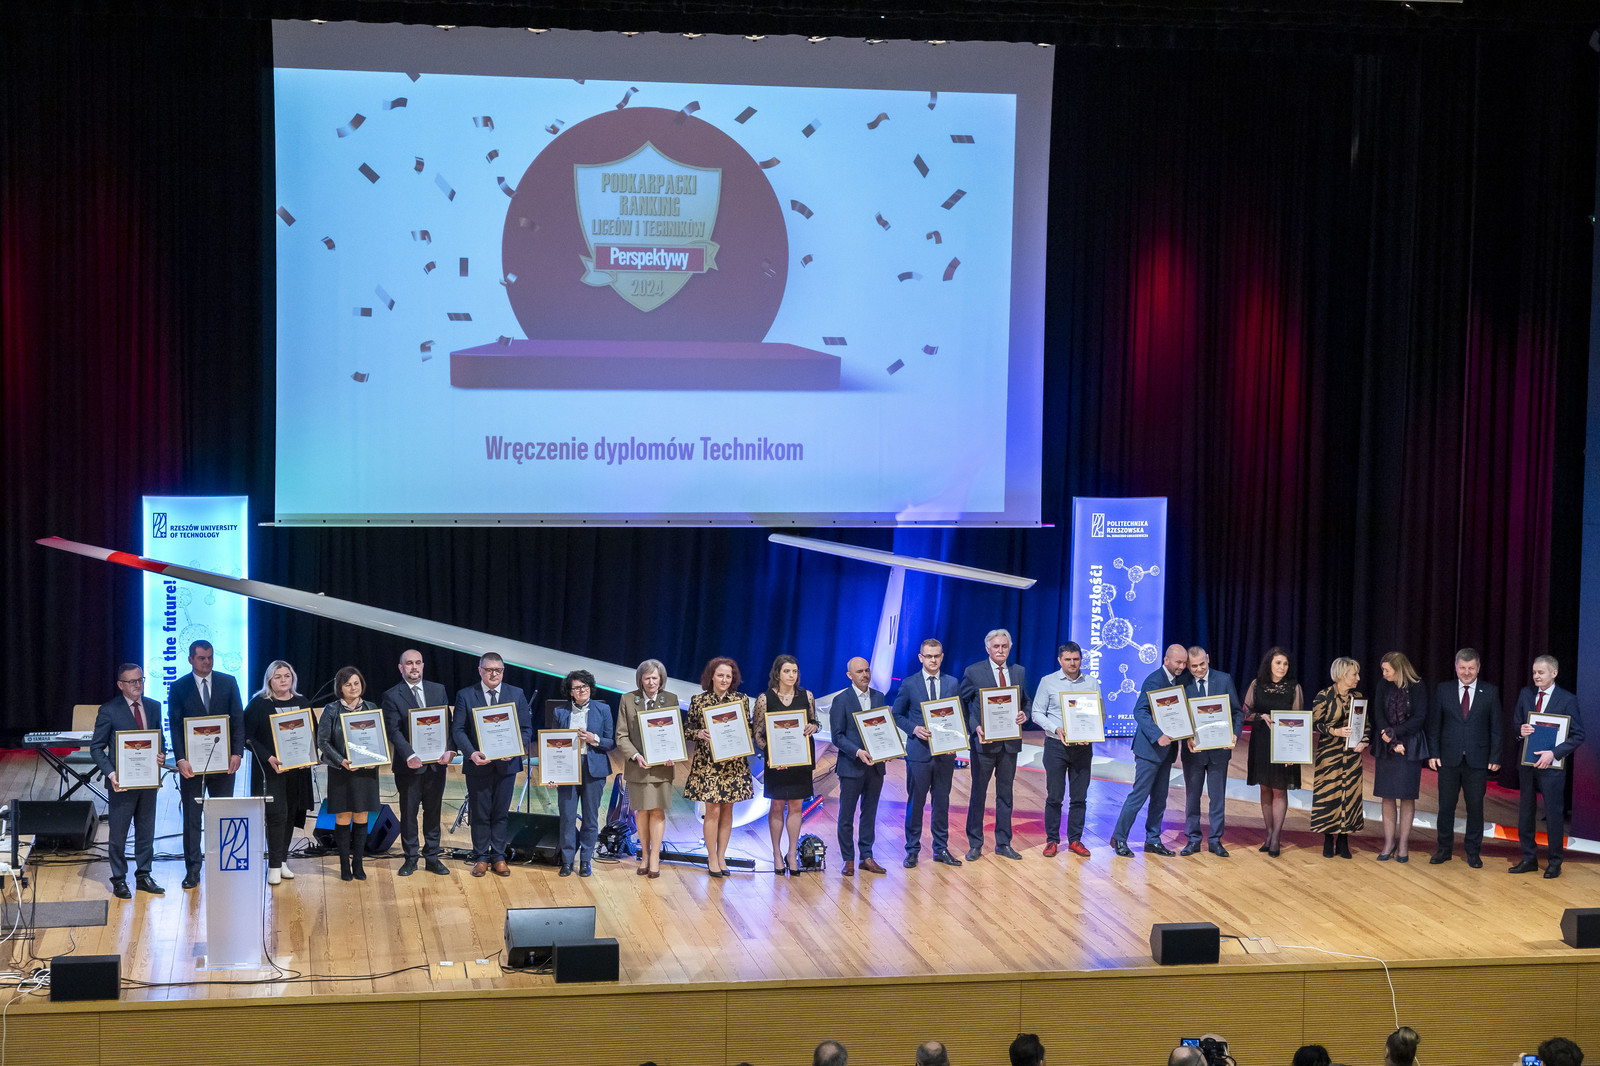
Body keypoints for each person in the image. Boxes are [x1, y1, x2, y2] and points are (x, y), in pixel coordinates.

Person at [168, 639, 244, 889]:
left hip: (224, 764)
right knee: (192, 818)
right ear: (191, 659)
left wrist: (237, 753)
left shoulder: (228, 682)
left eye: (210, 657)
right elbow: (175, 726)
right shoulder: (178, 687)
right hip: (193, 766)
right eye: (201, 658)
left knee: (223, 815)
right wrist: (180, 758)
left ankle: (225, 863)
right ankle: (193, 870)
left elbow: (238, 720)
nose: (207, 662)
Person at [451, 651, 534, 877]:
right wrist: (471, 753)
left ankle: (498, 856)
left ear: (503, 671)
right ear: (480, 671)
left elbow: (526, 729)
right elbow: (458, 730)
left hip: (507, 765)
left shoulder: (516, 693)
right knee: (479, 812)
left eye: (498, 670)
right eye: (489, 670)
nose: (494, 674)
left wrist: (514, 749)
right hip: (478, 764)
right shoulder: (466, 695)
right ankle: (480, 857)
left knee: (500, 812)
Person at [90, 663, 164, 898]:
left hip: (148, 781)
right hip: (121, 783)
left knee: (146, 831)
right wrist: (112, 774)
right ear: (120, 685)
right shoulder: (109, 710)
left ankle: (144, 875)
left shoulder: (154, 706)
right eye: (132, 682)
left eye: (140, 680)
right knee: (118, 834)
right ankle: (119, 879)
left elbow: (158, 738)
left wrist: (161, 755)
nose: (138, 685)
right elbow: (96, 748)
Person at [1110, 644, 1190, 857]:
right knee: (1139, 795)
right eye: (1178, 662)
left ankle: (1153, 840)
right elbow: (1140, 711)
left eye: (1184, 663)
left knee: (1160, 798)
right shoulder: (1155, 680)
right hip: (1149, 750)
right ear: (1166, 660)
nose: (1182, 666)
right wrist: (1158, 735)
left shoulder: (1178, 681)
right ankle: (1119, 838)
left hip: (1166, 751)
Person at [379, 649, 453, 877]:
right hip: (408, 766)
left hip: (436, 765)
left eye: (418, 662)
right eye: (409, 663)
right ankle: (411, 858)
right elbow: (393, 731)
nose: (414, 667)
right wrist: (410, 755)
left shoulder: (438, 690)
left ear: (423, 665)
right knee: (409, 814)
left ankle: (432, 858)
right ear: (401, 668)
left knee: (433, 812)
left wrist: (450, 750)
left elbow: (448, 724)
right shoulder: (392, 695)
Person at [1510, 654, 1585, 878]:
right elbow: (1516, 722)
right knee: (1526, 813)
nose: (1536, 676)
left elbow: (1578, 735)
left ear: (1554, 673)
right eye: (1534, 672)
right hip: (1527, 764)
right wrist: (1520, 730)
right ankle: (1528, 858)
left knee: (1553, 815)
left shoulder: (1567, 699)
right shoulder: (1526, 694)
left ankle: (1554, 862)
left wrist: (1554, 753)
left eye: (1541, 672)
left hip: (1552, 767)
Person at [892, 638, 965, 869]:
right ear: (920, 658)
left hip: (945, 754)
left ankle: (940, 848)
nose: (933, 660)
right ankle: (912, 850)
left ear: (942, 657)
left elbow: (959, 715)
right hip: (919, 753)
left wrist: (956, 739)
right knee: (916, 803)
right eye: (929, 656)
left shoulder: (952, 683)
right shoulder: (909, 684)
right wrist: (914, 729)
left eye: (937, 656)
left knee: (942, 802)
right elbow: (896, 715)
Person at [959, 628, 1029, 861]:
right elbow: (962, 702)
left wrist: (1025, 714)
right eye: (996, 646)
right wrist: (975, 727)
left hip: (1010, 744)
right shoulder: (973, 672)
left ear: (1010, 648)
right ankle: (975, 844)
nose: (1000, 650)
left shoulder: (1019, 671)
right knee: (978, 794)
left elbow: (1026, 702)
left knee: (1005, 795)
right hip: (984, 744)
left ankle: (1003, 843)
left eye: (1004, 646)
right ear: (987, 648)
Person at [244, 660, 316, 884]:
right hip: (270, 770)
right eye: (278, 677)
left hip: (297, 772)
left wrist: (309, 757)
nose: (283, 680)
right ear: (269, 680)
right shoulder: (259, 704)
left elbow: (312, 733)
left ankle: (282, 860)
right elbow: (247, 737)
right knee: (277, 815)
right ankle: (274, 865)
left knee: (290, 815)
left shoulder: (302, 702)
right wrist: (268, 756)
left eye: (287, 675)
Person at [1428, 648, 1502, 868]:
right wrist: (1433, 753)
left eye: (1471, 668)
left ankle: (1473, 852)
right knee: (1445, 807)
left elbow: (1496, 728)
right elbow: (1435, 724)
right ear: (1456, 667)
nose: (1467, 672)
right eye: (1463, 668)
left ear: (1478, 668)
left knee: (1475, 808)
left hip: (1477, 761)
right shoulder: (1444, 689)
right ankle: (1444, 850)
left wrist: (1495, 756)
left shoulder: (1490, 692)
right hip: (1448, 759)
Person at [683, 657, 753, 877]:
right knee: (712, 810)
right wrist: (699, 733)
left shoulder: (741, 699)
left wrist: (741, 746)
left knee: (728, 810)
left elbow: (748, 729)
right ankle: (711, 857)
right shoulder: (699, 700)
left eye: (728, 676)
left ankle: (722, 856)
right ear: (711, 676)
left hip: (734, 764)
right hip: (708, 764)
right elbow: (687, 730)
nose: (724, 679)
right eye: (720, 675)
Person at [1031, 641, 1100, 857]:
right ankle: (1052, 840)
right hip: (1055, 746)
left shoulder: (1091, 682)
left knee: (1079, 797)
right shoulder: (1048, 682)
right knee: (1055, 796)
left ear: (1081, 660)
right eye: (1068, 659)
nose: (1072, 663)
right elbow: (1036, 713)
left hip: (1082, 748)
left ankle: (1075, 840)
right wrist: (1056, 728)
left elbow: (1101, 713)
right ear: (1060, 660)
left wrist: (1091, 733)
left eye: (1076, 659)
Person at [753, 654, 820, 874]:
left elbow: (814, 722)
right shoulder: (765, 699)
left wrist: (814, 727)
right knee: (777, 806)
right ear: (777, 674)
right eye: (787, 671)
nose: (791, 675)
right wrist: (771, 756)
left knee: (796, 807)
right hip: (777, 763)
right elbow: (757, 733)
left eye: (795, 671)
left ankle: (791, 854)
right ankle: (776, 853)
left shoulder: (807, 696)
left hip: (800, 760)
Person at [613, 659, 680, 879]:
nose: (651, 682)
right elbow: (621, 735)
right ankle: (644, 854)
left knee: (657, 811)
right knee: (641, 811)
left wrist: (673, 753)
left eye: (655, 678)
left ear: (661, 679)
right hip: (638, 766)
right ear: (640, 679)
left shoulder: (670, 699)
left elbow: (675, 732)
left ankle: (655, 858)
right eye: (647, 678)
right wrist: (636, 755)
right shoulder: (628, 699)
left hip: (662, 768)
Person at [547, 670, 614, 877]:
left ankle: (585, 861)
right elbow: (551, 745)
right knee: (567, 817)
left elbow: (611, 742)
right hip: (566, 769)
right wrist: (551, 774)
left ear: (590, 688)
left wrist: (595, 739)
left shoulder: (603, 709)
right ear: (570, 692)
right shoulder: (560, 712)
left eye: (585, 686)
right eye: (577, 687)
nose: (582, 690)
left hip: (593, 768)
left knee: (590, 818)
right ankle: (567, 861)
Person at [318, 665, 381, 881]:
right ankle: (345, 864)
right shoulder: (331, 710)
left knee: (362, 815)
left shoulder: (371, 707)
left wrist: (376, 760)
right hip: (341, 771)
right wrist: (341, 761)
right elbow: (323, 742)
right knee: (343, 816)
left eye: (356, 683)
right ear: (340, 688)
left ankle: (358, 863)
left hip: (366, 772)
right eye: (348, 684)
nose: (353, 688)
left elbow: (379, 740)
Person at [1179, 645, 1241, 857]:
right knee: (1192, 797)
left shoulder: (1224, 680)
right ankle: (1193, 839)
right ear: (1188, 666)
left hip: (1219, 751)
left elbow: (1237, 712)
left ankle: (1215, 840)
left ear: (1208, 658)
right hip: (1193, 751)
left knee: (1217, 798)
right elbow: (1180, 718)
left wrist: (1235, 734)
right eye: (1193, 666)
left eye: (1202, 664)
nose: (1198, 669)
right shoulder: (1183, 684)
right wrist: (1186, 736)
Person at [829, 656, 888, 876]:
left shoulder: (879, 697)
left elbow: (884, 730)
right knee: (846, 815)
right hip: (851, 766)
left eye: (867, 670)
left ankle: (867, 856)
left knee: (870, 813)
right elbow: (837, 736)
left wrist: (888, 750)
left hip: (875, 767)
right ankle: (848, 859)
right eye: (859, 671)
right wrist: (857, 752)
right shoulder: (841, 700)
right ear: (849, 675)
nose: (864, 674)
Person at [1242, 647, 1303, 857]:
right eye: (1278, 663)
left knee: (1280, 788)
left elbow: (1298, 721)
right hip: (1261, 741)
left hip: (1284, 744)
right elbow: (1246, 712)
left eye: (1285, 664)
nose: (1282, 667)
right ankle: (1268, 833)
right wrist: (1261, 717)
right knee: (1265, 788)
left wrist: (1293, 752)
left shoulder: (1294, 688)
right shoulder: (1256, 684)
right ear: (1269, 664)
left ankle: (1276, 836)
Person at [1372, 651, 1429, 862]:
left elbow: (1420, 717)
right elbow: (1378, 713)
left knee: (1406, 795)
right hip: (1387, 743)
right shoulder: (1383, 685)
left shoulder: (1417, 686)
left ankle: (1403, 844)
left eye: (1387, 670)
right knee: (1387, 795)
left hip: (1410, 744)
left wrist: (1397, 734)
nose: (1384, 673)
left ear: (1399, 669)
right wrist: (1390, 738)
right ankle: (1389, 842)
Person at [1311, 657, 1367, 858]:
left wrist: (1364, 740)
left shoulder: (1357, 697)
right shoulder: (1324, 696)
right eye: (1354, 674)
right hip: (1329, 755)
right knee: (1330, 795)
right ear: (1342, 675)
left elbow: (1365, 724)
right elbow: (1315, 723)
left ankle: (1344, 840)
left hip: (1351, 756)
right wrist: (1335, 731)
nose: (1358, 678)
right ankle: (1328, 839)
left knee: (1349, 795)